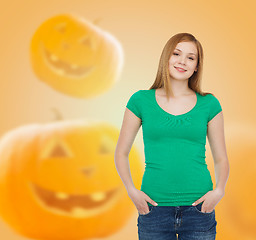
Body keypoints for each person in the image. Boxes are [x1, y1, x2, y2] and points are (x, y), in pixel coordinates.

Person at [114, 32, 230, 240]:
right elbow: (121, 152)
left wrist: (219, 190)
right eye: (177, 54)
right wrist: (132, 191)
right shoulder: (140, 101)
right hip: (153, 209)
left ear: (196, 66)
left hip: (199, 209)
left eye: (191, 57)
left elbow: (221, 157)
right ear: (166, 57)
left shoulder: (209, 104)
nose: (182, 61)